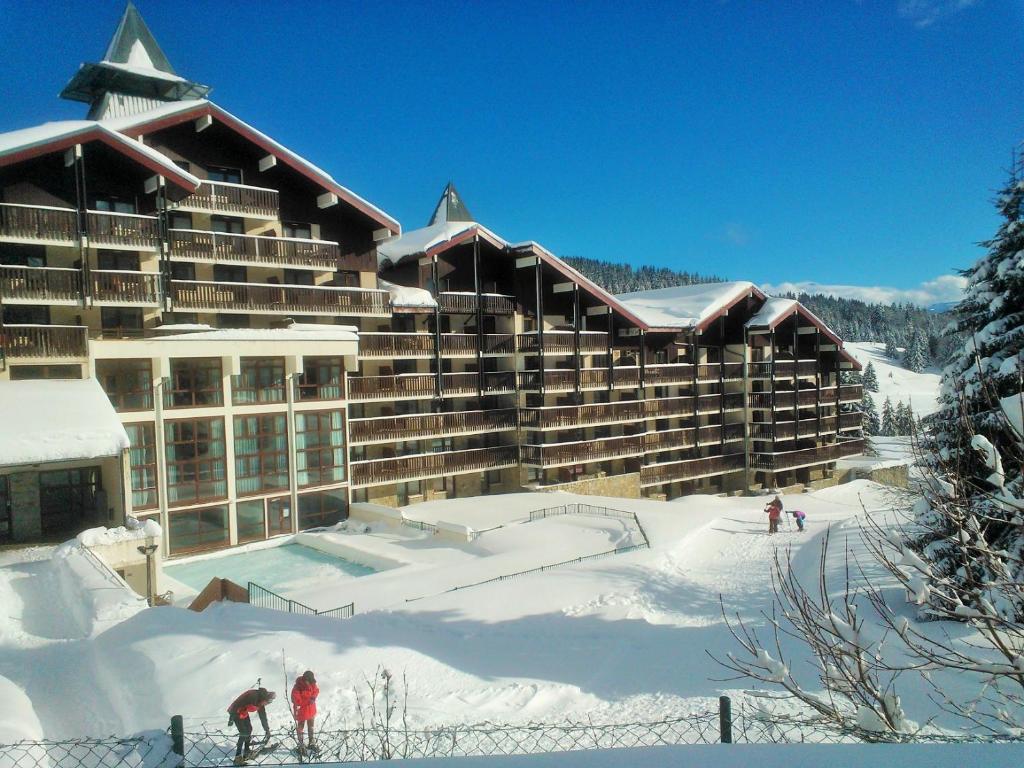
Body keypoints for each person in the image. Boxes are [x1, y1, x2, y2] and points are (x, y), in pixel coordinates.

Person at [227, 687, 276, 765]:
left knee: (249, 729)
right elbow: (237, 704)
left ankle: (247, 751)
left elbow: (263, 717)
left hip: (243, 712)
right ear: (265, 698)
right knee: (243, 733)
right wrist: (231, 718)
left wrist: (267, 730)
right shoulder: (253, 696)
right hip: (236, 712)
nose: (266, 704)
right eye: (267, 702)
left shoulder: (260, 702)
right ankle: (237, 758)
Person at [291, 670, 319, 755]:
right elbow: (296, 700)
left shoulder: (311, 683)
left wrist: (313, 697)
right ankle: (301, 744)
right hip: (301, 711)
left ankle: (311, 742)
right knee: (300, 727)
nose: (310, 683)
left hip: (311, 709)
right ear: (305, 679)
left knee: (311, 726)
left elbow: (316, 690)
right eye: (309, 682)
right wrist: (308, 701)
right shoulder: (297, 687)